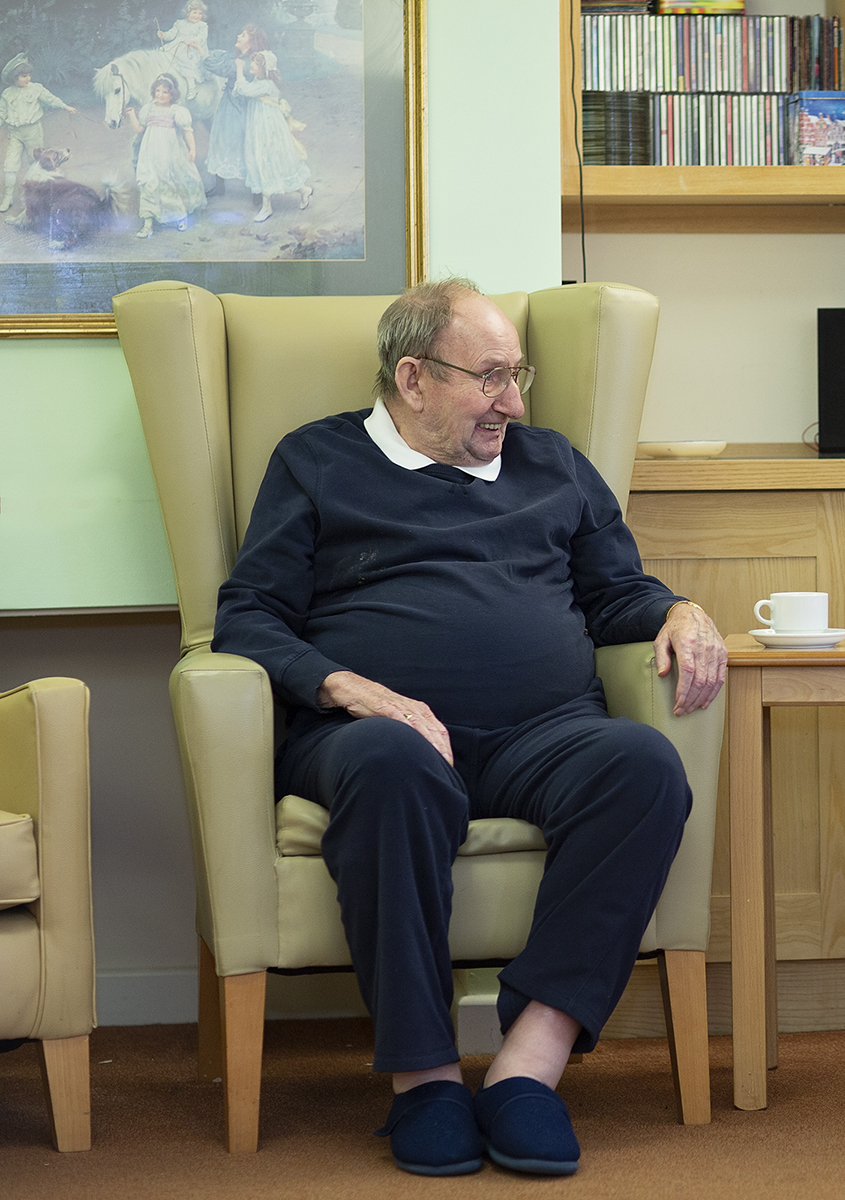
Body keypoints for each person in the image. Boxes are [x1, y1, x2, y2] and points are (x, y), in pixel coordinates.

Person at [212, 278, 728, 1177]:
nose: (514, 402)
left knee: (642, 767)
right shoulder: (316, 462)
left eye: (516, 375)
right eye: (490, 379)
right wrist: (350, 690)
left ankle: (531, 1064)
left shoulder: (551, 463)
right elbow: (248, 616)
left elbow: (616, 594)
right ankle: (425, 1078)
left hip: (544, 733)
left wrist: (680, 610)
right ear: (413, 378)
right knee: (390, 762)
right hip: (378, 738)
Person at [123, 73, 206, 236]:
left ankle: (179, 216)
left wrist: (193, 148)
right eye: (158, 91)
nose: (160, 95)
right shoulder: (148, 109)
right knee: (149, 182)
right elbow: (140, 129)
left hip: (170, 152)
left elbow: (187, 131)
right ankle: (148, 223)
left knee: (168, 182)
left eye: (165, 92)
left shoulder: (177, 111)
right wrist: (132, 114)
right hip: (150, 152)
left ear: (172, 95)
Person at [234, 50, 311, 221]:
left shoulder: (266, 84)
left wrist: (239, 70)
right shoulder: (257, 80)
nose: (251, 64)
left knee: (267, 160)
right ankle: (304, 190)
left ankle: (267, 207)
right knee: (262, 160)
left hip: (268, 128)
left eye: (256, 63)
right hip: (259, 125)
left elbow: (244, 90)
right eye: (252, 61)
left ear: (265, 68)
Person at [1, 55, 75, 214]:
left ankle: (37, 196)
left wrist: (64, 106)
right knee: (10, 164)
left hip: (32, 131)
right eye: (23, 76)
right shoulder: (7, 94)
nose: (28, 78)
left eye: (29, 75)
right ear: (14, 78)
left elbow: (50, 98)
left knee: (36, 163)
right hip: (15, 133)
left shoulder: (35, 89)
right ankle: (7, 197)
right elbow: (1, 114)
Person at [202, 24, 269, 189]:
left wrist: (200, 50)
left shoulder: (248, 62)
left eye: (243, 35)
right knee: (220, 139)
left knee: (245, 142)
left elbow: (217, 66)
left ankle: (256, 190)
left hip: (244, 106)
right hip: (229, 103)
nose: (238, 36)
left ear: (251, 43)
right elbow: (221, 58)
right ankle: (219, 186)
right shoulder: (237, 57)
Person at [157, 0, 211, 91]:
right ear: (187, 13)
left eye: (200, 13)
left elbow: (202, 37)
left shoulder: (202, 26)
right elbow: (172, 34)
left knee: (187, 62)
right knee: (165, 55)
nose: (197, 16)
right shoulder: (179, 23)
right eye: (194, 13)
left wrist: (192, 41)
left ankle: (191, 88)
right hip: (178, 46)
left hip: (193, 49)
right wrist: (164, 35)